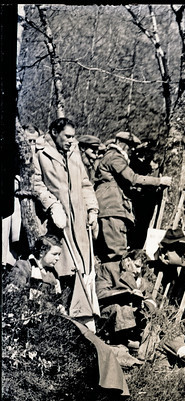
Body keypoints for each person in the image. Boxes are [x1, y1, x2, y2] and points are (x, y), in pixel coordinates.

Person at [31, 117, 101, 329]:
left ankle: (82, 321)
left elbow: (85, 183)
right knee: (61, 271)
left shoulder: (74, 152)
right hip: (57, 224)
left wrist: (92, 209)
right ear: (54, 132)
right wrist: (52, 205)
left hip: (79, 222)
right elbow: (36, 184)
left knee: (82, 272)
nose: (71, 141)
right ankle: (60, 323)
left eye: (73, 137)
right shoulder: (40, 153)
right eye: (67, 136)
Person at [95, 131, 172, 263]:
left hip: (113, 208)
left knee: (112, 253)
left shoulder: (112, 157)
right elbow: (132, 178)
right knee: (117, 253)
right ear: (120, 144)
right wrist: (159, 181)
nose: (130, 151)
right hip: (112, 208)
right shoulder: (115, 157)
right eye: (129, 147)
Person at [6, 233, 63, 301]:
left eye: (59, 254)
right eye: (54, 254)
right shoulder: (24, 266)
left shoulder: (52, 274)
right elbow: (14, 294)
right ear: (42, 252)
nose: (57, 258)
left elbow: (55, 299)